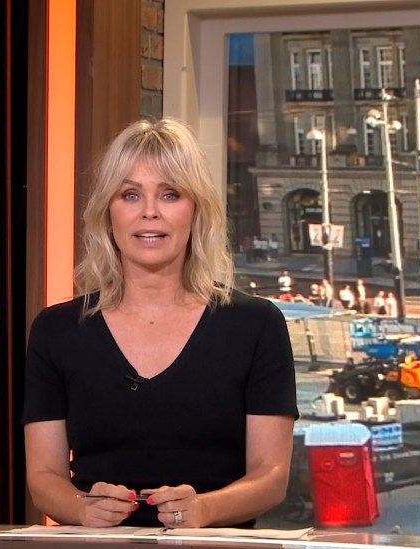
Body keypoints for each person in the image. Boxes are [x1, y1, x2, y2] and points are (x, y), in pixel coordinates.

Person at [23, 118, 297, 528]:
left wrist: (205, 509)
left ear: (195, 211)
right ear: (108, 213)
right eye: (130, 195)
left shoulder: (256, 325)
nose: (149, 212)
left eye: (170, 194)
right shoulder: (56, 330)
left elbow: (271, 476)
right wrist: (82, 508)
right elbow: (44, 477)